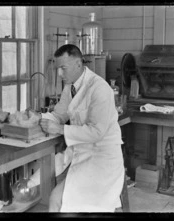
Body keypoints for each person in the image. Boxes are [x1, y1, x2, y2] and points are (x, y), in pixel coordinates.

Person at [39, 44, 125, 212]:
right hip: (84, 157)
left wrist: (60, 129)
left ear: (78, 64)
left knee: (60, 200)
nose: (59, 74)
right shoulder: (69, 87)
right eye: (58, 69)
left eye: (63, 68)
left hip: (102, 161)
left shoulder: (99, 88)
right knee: (57, 198)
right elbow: (58, 115)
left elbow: (96, 132)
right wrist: (38, 119)